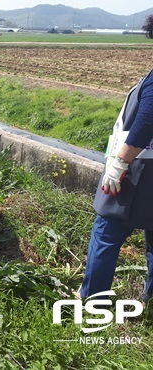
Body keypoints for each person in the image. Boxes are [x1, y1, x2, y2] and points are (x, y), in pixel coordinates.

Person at [80, 70, 153, 299]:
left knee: (106, 233)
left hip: (140, 170)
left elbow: (147, 119)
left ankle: (93, 299)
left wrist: (120, 162)